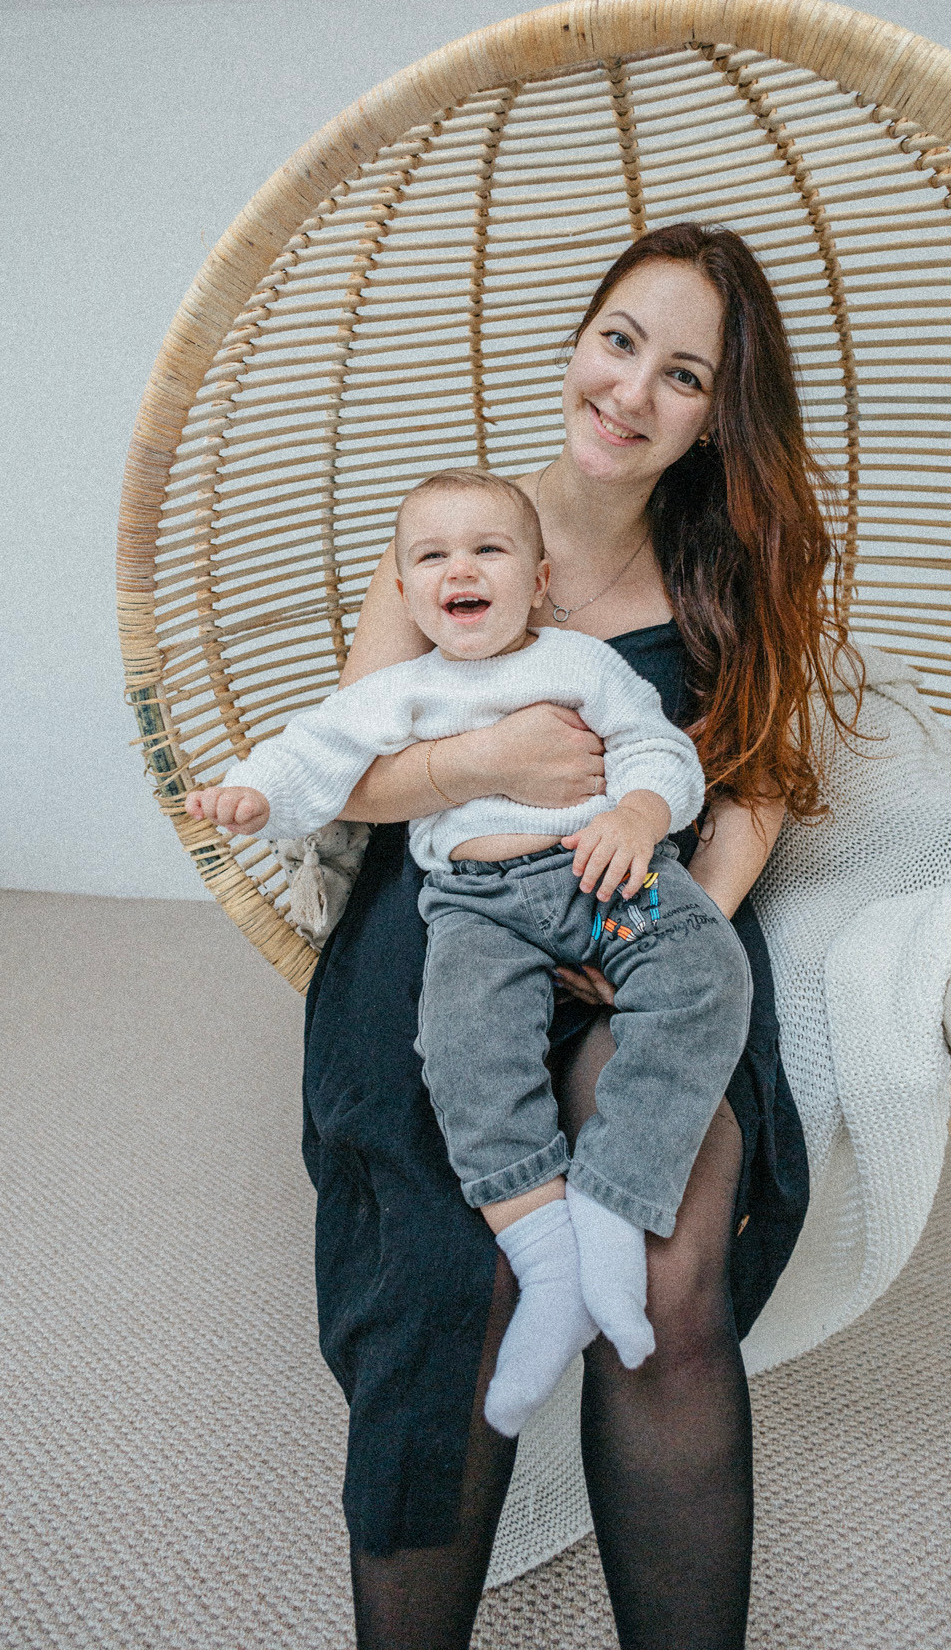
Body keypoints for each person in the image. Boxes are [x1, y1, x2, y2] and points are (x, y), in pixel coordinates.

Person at [268, 222, 856, 1649]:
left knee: (665, 1248)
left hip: (645, 926)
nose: (633, 390)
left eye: (685, 375)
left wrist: (670, 928)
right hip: (452, 915)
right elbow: (346, 777)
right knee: (448, 1260)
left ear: (717, 415)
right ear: (576, 341)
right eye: (619, 340)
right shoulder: (453, 537)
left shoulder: (726, 569)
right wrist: (497, 761)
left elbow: (761, 788)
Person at [189, 467, 755, 1440]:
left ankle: (614, 1204)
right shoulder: (405, 692)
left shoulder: (579, 664)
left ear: (537, 582)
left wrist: (637, 809)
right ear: (406, 595)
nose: (462, 567)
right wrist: (255, 793)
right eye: (432, 555)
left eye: (489, 549)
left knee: (707, 977)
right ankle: (547, 1257)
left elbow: (661, 751)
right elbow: (314, 749)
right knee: (461, 1052)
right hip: (478, 905)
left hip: (601, 869)